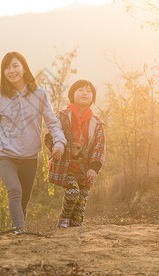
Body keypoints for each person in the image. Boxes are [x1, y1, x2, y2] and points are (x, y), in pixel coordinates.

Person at [0, 51, 66, 233]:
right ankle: (19, 230)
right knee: (15, 190)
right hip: (5, 155)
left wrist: (59, 142)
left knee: (24, 199)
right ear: (3, 72)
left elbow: (51, 121)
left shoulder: (40, 94)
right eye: (7, 67)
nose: (11, 71)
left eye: (15, 65)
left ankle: (20, 237)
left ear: (24, 68)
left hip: (30, 156)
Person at [45, 79, 105, 228]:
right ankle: (63, 219)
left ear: (93, 98)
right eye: (80, 90)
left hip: (85, 170)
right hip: (66, 168)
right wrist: (55, 146)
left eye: (88, 91)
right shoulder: (63, 116)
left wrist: (94, 167)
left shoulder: (97, 123)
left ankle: (73, 236)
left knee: (80, 208)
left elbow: (100, 146)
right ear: (72, 95)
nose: (84, 93)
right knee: (72, 193)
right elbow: (50, 135)